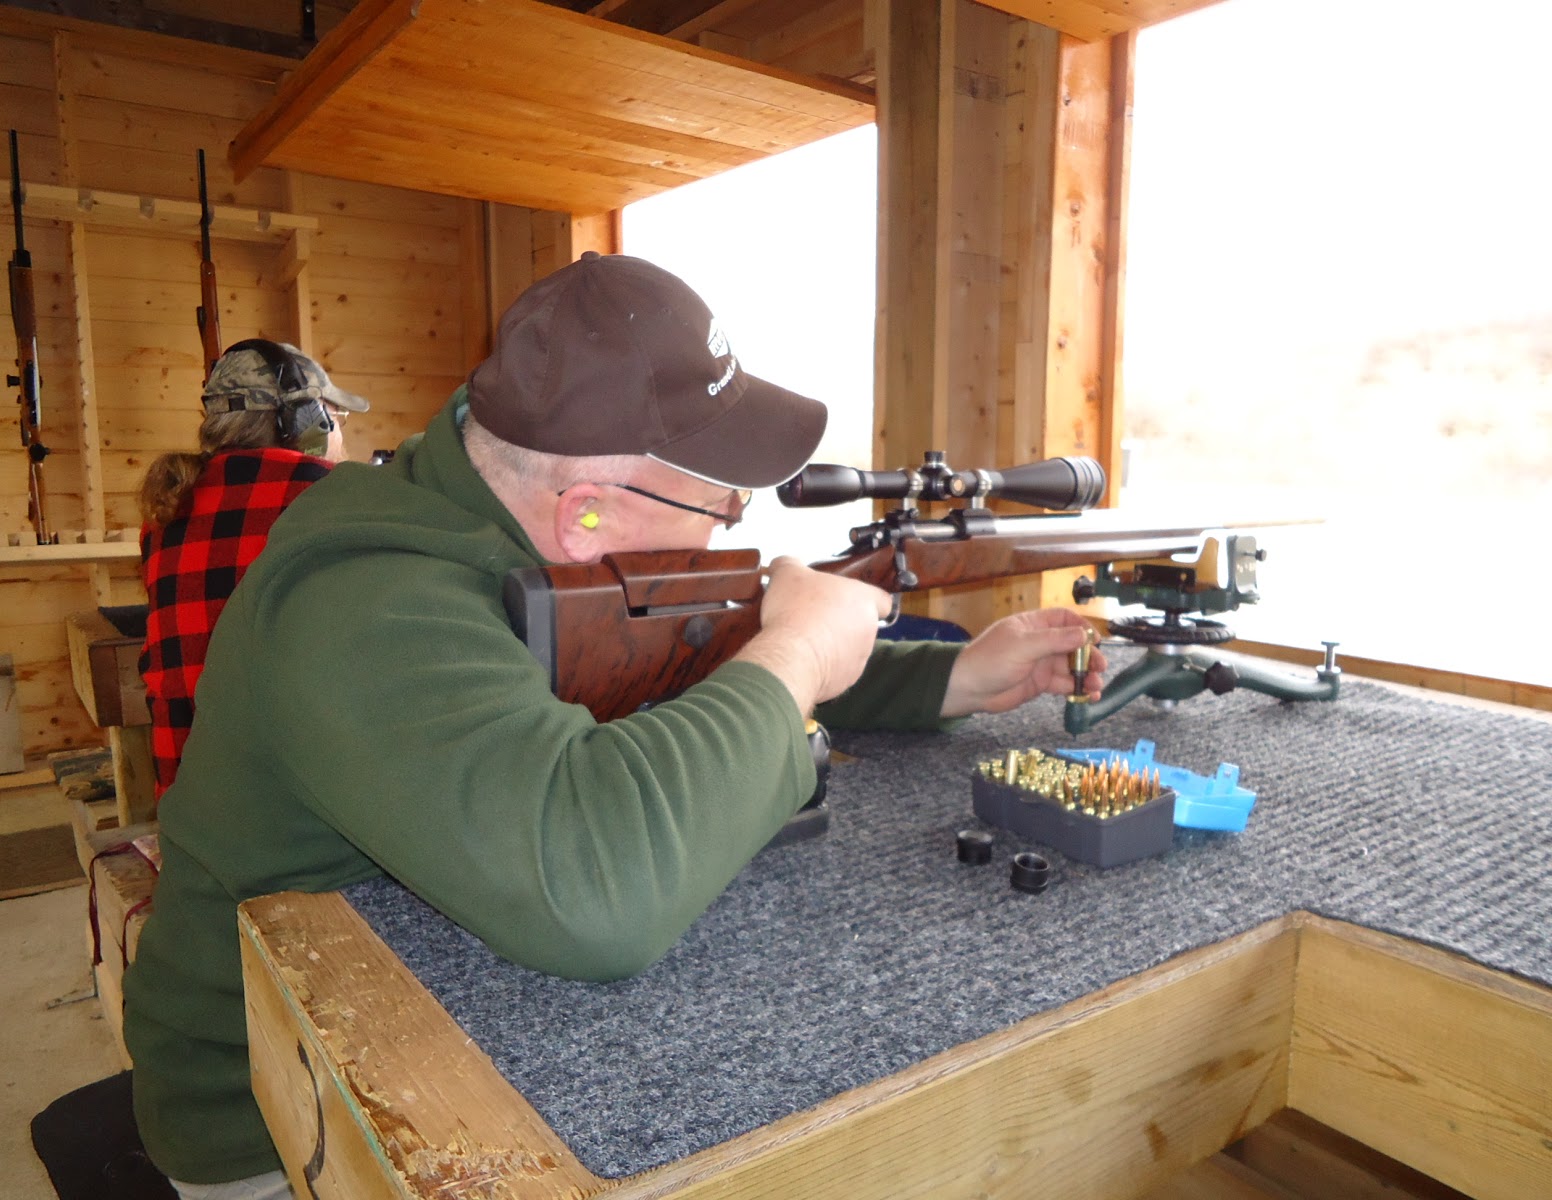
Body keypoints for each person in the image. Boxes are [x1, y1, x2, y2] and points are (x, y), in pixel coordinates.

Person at [122, 253, 1105, 1197]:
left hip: (440, 997)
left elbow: (686, 655)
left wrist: (956, 681)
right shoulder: (362, 603)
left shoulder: (492, 528)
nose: (729, 526)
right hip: (280, 1115)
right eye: (722, 505)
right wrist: (795, 655)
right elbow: (594, 894)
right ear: (585, 516)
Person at [137, 339, 368, 800]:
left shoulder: (164, 514)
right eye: (336, 419)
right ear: (310, 423)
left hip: (190, 807)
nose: (340, 433)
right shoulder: (338, 500)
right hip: (303, 821)